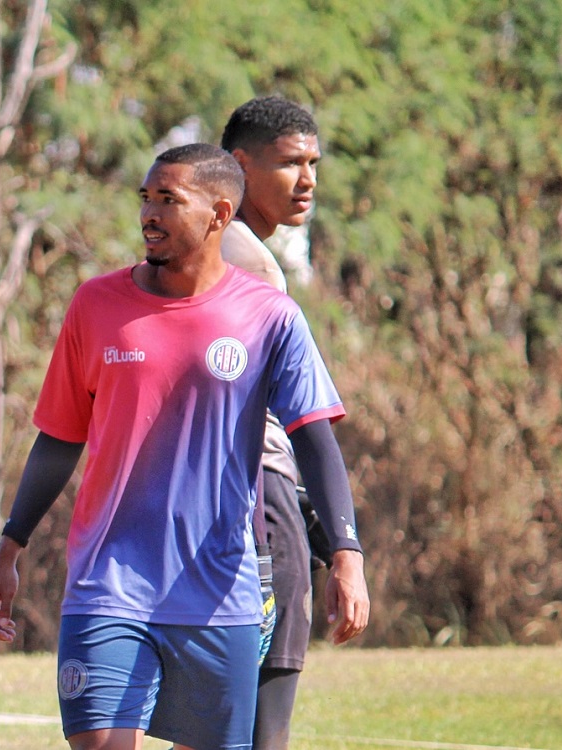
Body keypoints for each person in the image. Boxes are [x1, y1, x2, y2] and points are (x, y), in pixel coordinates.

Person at [0, 143, 369, 750]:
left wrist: (347, 555)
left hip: (220, 594)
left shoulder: (270, 316)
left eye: (168, 200)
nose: (149, 214)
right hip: (106, 585)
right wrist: (12, 544)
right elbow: (59, 438)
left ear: (218, 213)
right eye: (145, 198)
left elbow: (314, 440)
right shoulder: (95, 305)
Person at [220, 95, 333, 750]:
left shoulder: (204, 245)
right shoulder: (252, 264)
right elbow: (302, 418)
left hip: (219, 502)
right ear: (240, 165)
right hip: (258, 497)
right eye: (291, 163)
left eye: (314, 163)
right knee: (266, 722)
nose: (309, 180)